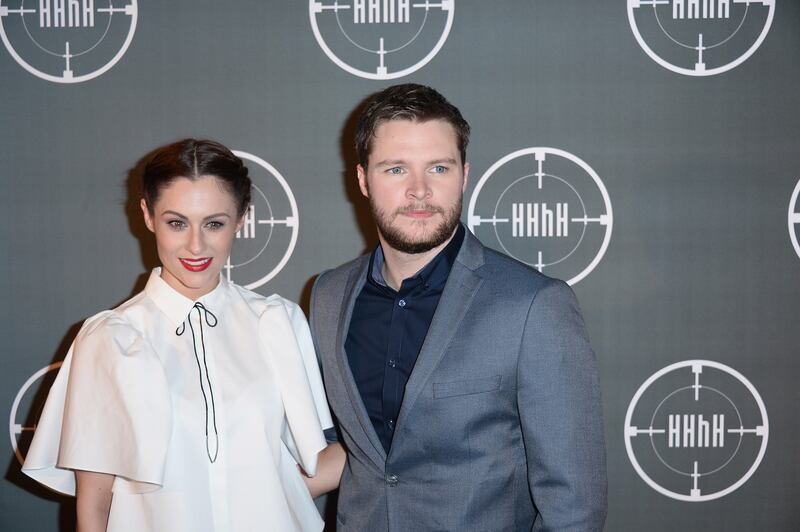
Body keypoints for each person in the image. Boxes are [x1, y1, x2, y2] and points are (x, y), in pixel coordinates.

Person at [310, 84, 607, 531]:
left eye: (438, 168)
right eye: (395, 169)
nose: (419, 191)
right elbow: (343, 449)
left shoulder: (533, 306)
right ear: (363, 179)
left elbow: (573, 507)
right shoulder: (329, 295)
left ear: (464, 175)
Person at [22, 139, 345, 532]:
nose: (196, 245)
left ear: (242, 218)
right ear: (147, 215)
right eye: (177, 223)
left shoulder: (276, 323)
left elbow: (310, 468)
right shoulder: (111, 339)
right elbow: (95, 503)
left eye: (214, 223)